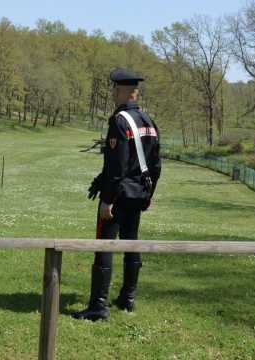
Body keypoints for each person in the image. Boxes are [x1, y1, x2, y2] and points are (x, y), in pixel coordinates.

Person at [72, 68, 161, 322]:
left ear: (122, 90)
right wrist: (149, 193)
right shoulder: (149, 121)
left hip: (119, 195)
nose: (112, 93)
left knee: (104, 246)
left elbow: (117, 166)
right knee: (131, 242)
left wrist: (107, 199)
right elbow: (155, 164)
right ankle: (128, 297)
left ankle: (98, 306)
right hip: (139, 193)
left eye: (114, 89)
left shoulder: (119, 121)